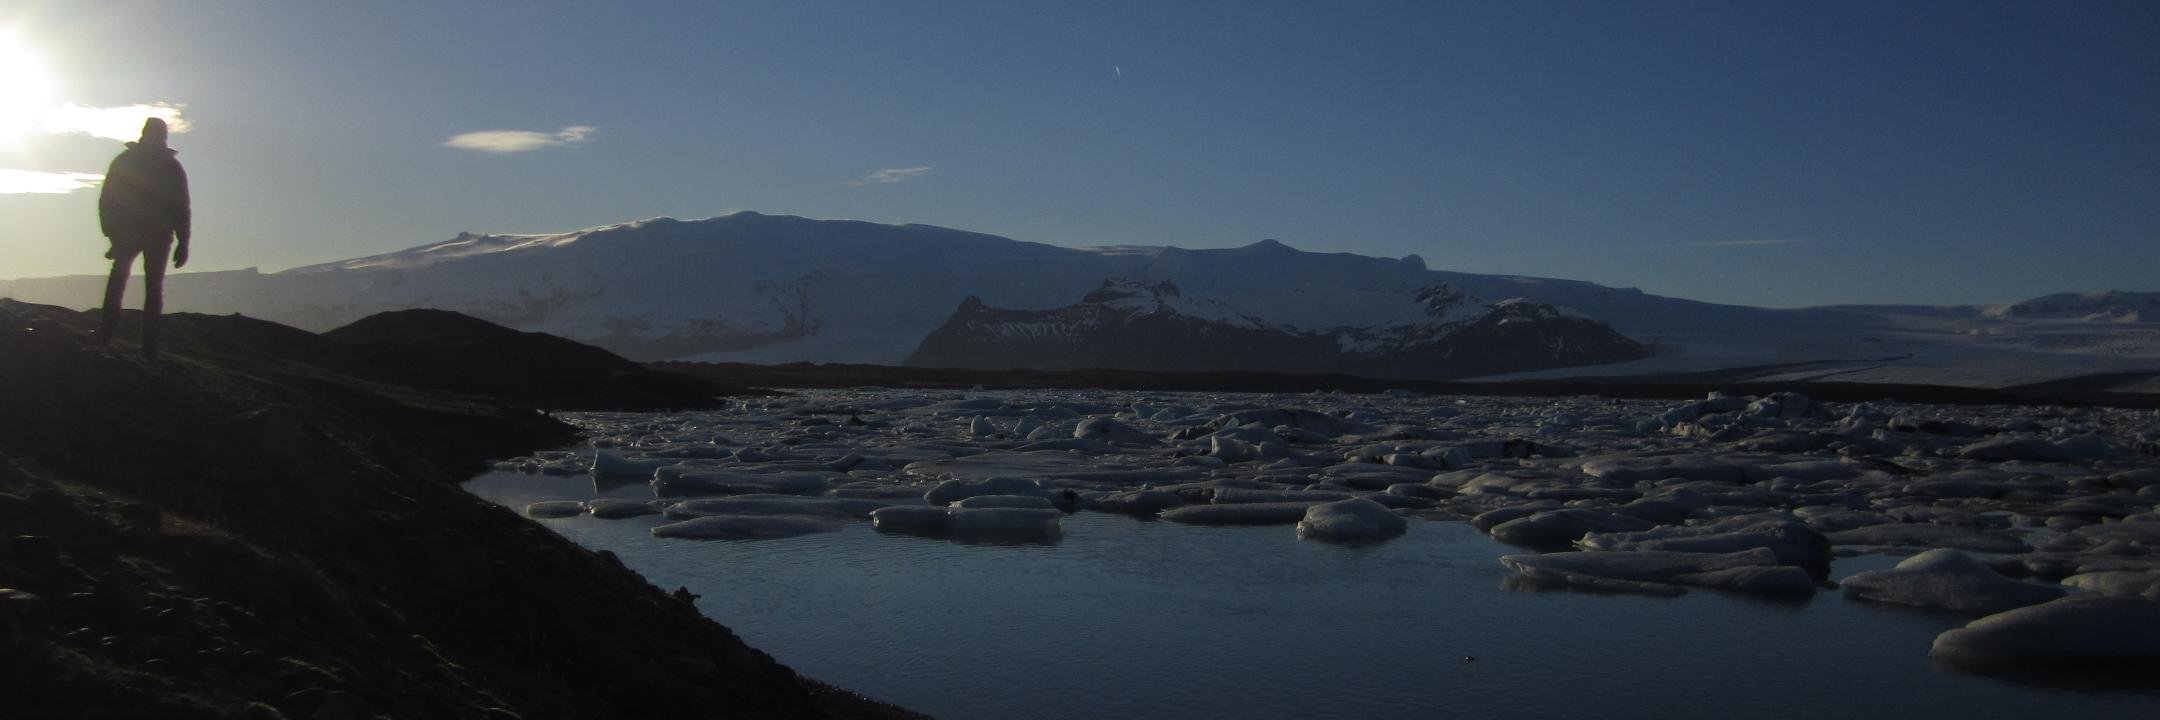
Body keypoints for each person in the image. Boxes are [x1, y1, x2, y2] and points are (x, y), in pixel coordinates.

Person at [96, 117, 191, 358]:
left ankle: (146, 347)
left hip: (154, 236)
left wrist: (183, 242)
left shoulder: (160, 166)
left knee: (146, 287)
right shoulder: (158, 166)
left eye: (160, 136)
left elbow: (181, 207)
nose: (157, 139)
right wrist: (111, 232)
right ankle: (107, 335)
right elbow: (107, 199)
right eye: (155, 135)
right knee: (124, 281)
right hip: (132, 234)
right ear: (146, 135)